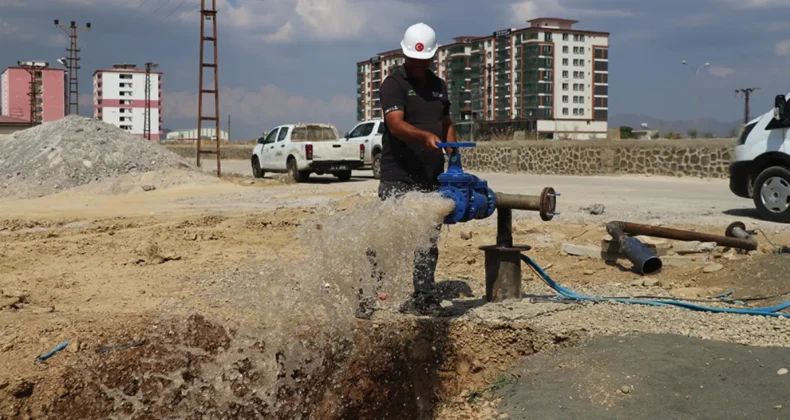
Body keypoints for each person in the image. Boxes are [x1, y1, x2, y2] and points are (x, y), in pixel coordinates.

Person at [356, 22, 458, 318]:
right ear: (405, 55)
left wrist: (452, 148)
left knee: (427, 239)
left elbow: (447, 123)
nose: (419, 63)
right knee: (385, 239)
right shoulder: (394, 83)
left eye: (424, 59)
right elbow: (395, 124)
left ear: (432, 57)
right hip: (398, 175)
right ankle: (366, 297)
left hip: (431, 176)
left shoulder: (439, 86)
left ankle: (424, 297)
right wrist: (425, 137)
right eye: (414, 59)